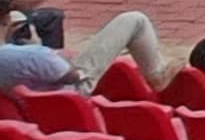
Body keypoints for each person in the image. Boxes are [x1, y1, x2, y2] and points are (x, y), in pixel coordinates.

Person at [0, 8, 180, 93]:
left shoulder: (29, 55)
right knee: (134, 19)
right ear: (5, 21)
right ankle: (156, 75)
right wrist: (39, 47)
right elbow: (72, 76)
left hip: (27, 101)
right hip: (70, 91)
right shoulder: (34, 54)